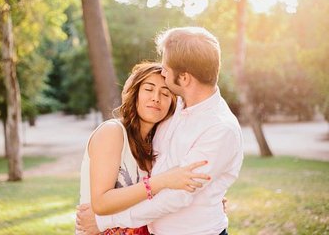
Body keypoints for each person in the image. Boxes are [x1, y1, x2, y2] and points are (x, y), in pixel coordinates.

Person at [77, 27, 244, 235]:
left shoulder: (220, 128)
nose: (163, 74)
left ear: (184, 78)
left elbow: (176, 196)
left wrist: (105, 221)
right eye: (149, 90)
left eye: (166, 68)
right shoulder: (174, 111)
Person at [77, 62, 210, 235]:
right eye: (149, 89)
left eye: (165, 93)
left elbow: (168, 198)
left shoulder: (158, 145)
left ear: (172, 104)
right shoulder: (112, 132)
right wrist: (162, 180)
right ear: (135, 93)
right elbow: (101, 203)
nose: (156, 97)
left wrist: (207, 202)